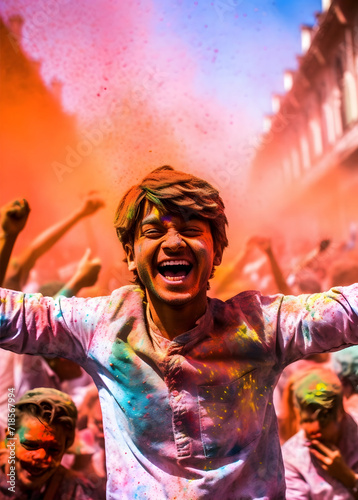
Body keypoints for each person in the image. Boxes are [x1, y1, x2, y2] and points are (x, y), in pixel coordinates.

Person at [1, 165, 358, 499]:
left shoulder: (260, 327)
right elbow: (10, 316)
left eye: (190, 230)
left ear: (216, 252)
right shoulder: (102, 327)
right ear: (130, 254)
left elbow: (346, 311)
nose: (173, 243)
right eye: (154, 232)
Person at [0, 387, 105, 499]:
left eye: (54, 450)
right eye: (31, 445)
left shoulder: (77, 491)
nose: (41, 456)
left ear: (66, 447)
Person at [282, 368, 358, 499]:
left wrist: (348, 477)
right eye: (307, 420)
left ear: (340, 413)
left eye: (323, 421)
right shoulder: (291, 457)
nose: (314, 429)